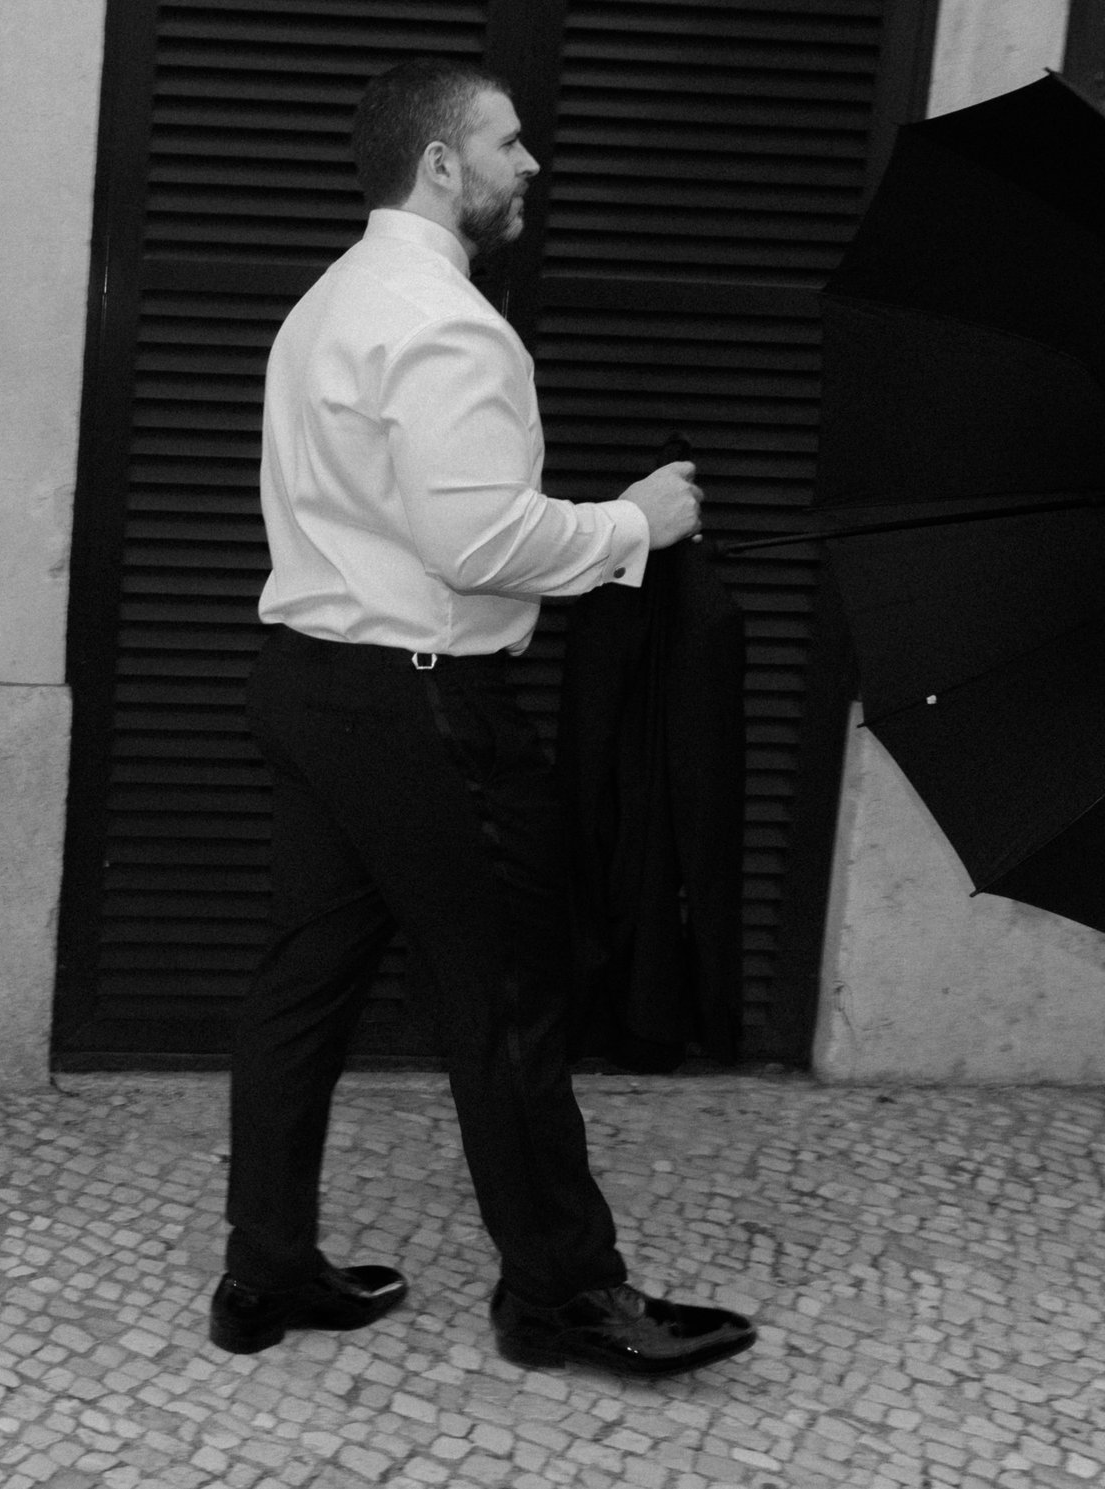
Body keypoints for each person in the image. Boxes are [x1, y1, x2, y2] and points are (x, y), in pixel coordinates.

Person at [208, 60, 757, 1378]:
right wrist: (639, 523)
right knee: (510, 995)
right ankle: (564, 1299)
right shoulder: (444, 322)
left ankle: (265, 1274)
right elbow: (472, 541)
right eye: (508, 143)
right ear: (442, 165)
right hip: (417, 702)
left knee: (303, 984)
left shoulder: (332, 301)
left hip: (311, 683)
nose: (531, 165)